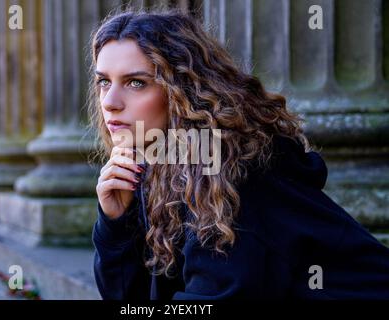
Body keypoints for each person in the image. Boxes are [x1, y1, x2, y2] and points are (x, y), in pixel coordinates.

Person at [88, 9, 389, 300]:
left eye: (136, 82)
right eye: (104, 81)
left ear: (182, 91)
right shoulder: (163, 164)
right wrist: (116, 224)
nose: (110, 102)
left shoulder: (231, 177)